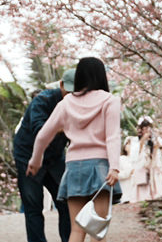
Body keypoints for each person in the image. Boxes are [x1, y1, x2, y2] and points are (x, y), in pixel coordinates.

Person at [27, 58, 122, 242]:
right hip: (100, 168)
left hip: (73, 169)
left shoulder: (66, 103)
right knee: (97, 230)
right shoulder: (110, 101)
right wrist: (115, 167)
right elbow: (112, 136)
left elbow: (42, 136)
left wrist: (35, 161)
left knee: (76, 231)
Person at [12, 69, 75, 242]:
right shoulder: (43, 100)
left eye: (76, 92)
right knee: (33, 206)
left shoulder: (77, 104)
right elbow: (40, 129)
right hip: (28, 155)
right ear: (61, 84)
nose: (71, 95)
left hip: (55, 157)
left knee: (66, 202)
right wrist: (68, 127)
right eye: (68, 91)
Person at [128, 116, 162, 201]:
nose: (147, 130)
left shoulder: (157, 139)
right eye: (145, 128)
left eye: (149, 127)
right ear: (141, 129)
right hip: (143, 173)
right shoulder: (135, 141)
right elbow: (134, 157)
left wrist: (158, 147)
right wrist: (142, 142)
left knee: (160, 194)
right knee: (143, 198)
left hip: (156, 171)